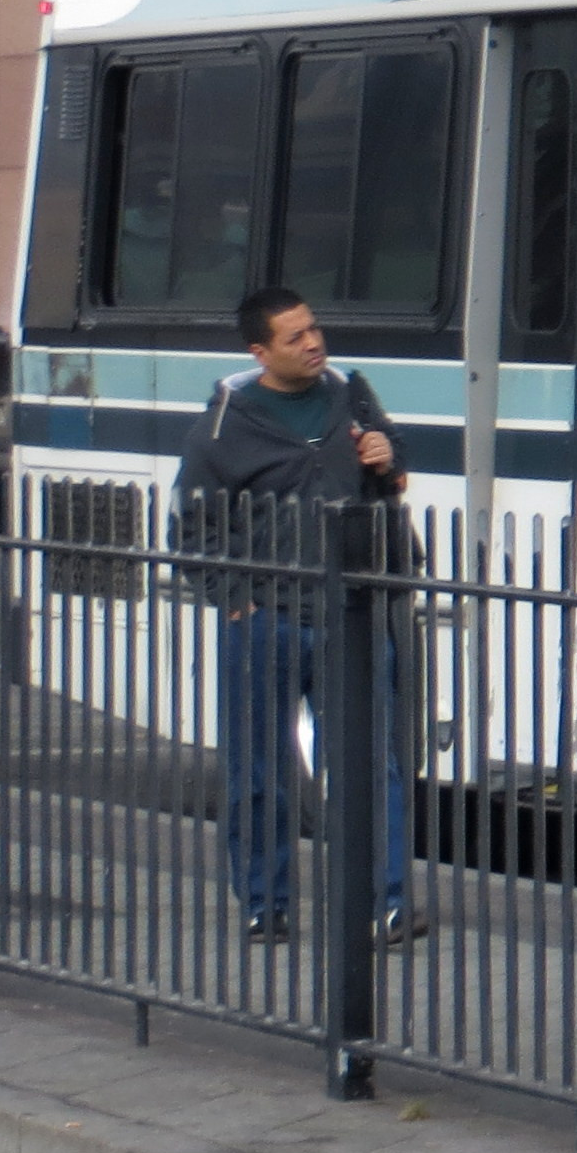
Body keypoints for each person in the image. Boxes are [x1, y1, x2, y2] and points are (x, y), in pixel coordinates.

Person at [172, 288, 426, 946]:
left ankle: (386, 904)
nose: (313, 343)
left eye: (314, 329)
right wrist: (237, 600)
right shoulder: (221, 430)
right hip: (267, 621)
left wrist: (385, 457)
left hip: (353, 613)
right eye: (295, 337)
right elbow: (192, 533)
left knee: (372, 766)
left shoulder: (351, 394)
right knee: (258, 770)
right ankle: (266, 903)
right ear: (260, 352)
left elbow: (393, 460)